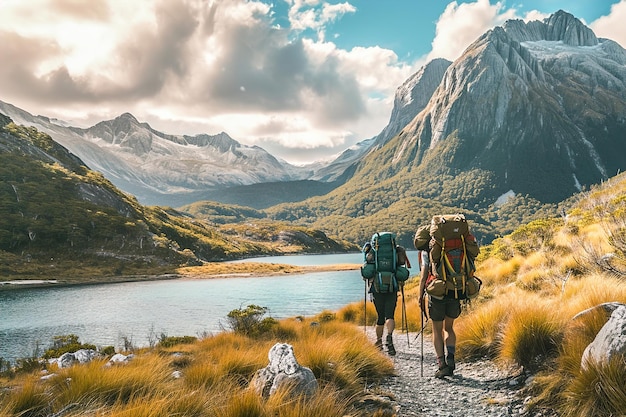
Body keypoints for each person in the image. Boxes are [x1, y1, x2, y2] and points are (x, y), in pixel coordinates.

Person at [418, 248, 460, 378]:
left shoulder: (427, 251)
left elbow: (424, 275)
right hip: (454, 291)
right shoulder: (456, 246)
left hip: (437, 294)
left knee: (437, 330)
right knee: (449, 328)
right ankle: (451, 358)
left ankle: (442, 365)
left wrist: (420, 296)